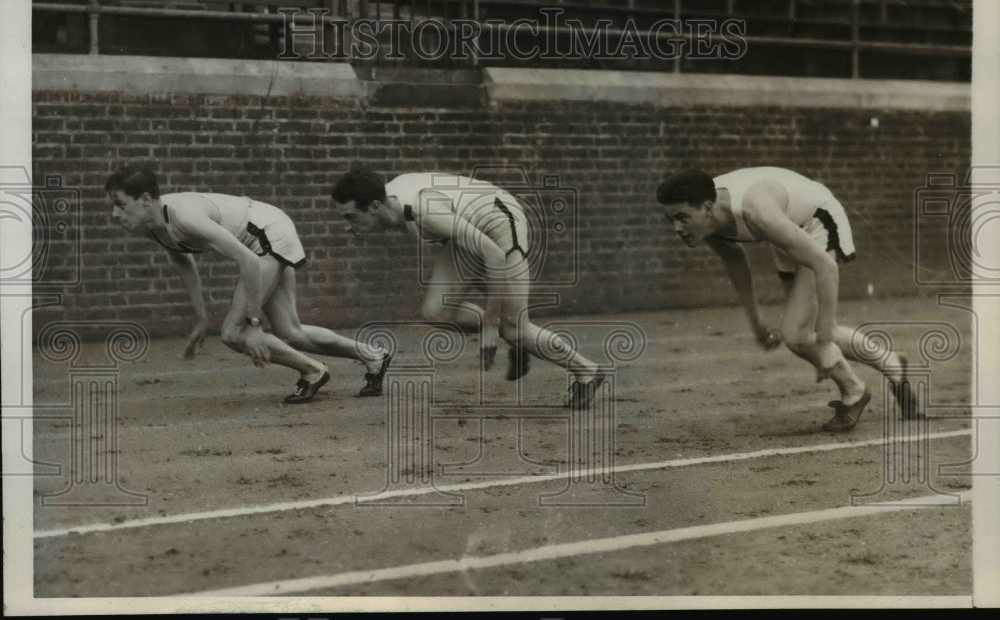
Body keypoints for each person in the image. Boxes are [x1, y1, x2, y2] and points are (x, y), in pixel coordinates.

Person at [656, 166, 921, 432]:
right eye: (671, 220)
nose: (677, 228)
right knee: (807, 327)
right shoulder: (710, 217)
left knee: (797, 334)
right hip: (787, 228)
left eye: (682, 217)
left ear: (707, 207)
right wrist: (756, 320)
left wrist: (826, 342)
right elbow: (734, 260)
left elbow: (827, 268)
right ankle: (891, 362)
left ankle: (854, 392)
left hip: (818, 220)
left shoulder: (756, 212)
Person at [105, 164, 391, 404]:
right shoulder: (152, 226)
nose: (115, 214)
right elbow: (183, 260)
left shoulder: (184, 215)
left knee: (233, 332)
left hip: (269, 235)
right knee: (292, 332)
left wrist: (254, 324)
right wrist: (201, 317)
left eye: (120, 205)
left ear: (144, 199)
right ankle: (373, 355)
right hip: (267, 236)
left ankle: (313, 371)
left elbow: (248, 262)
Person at [330, 168, 606, 409]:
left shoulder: (424, 211)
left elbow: (493, 255)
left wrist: (489, 322)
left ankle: (587, 371)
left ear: (376, 206)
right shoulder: (391, 205)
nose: (347, 226)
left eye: (351, 217)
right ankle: (517, 337)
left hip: (499, 222)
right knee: (436, 312)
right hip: (468, 230)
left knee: (513, 327)